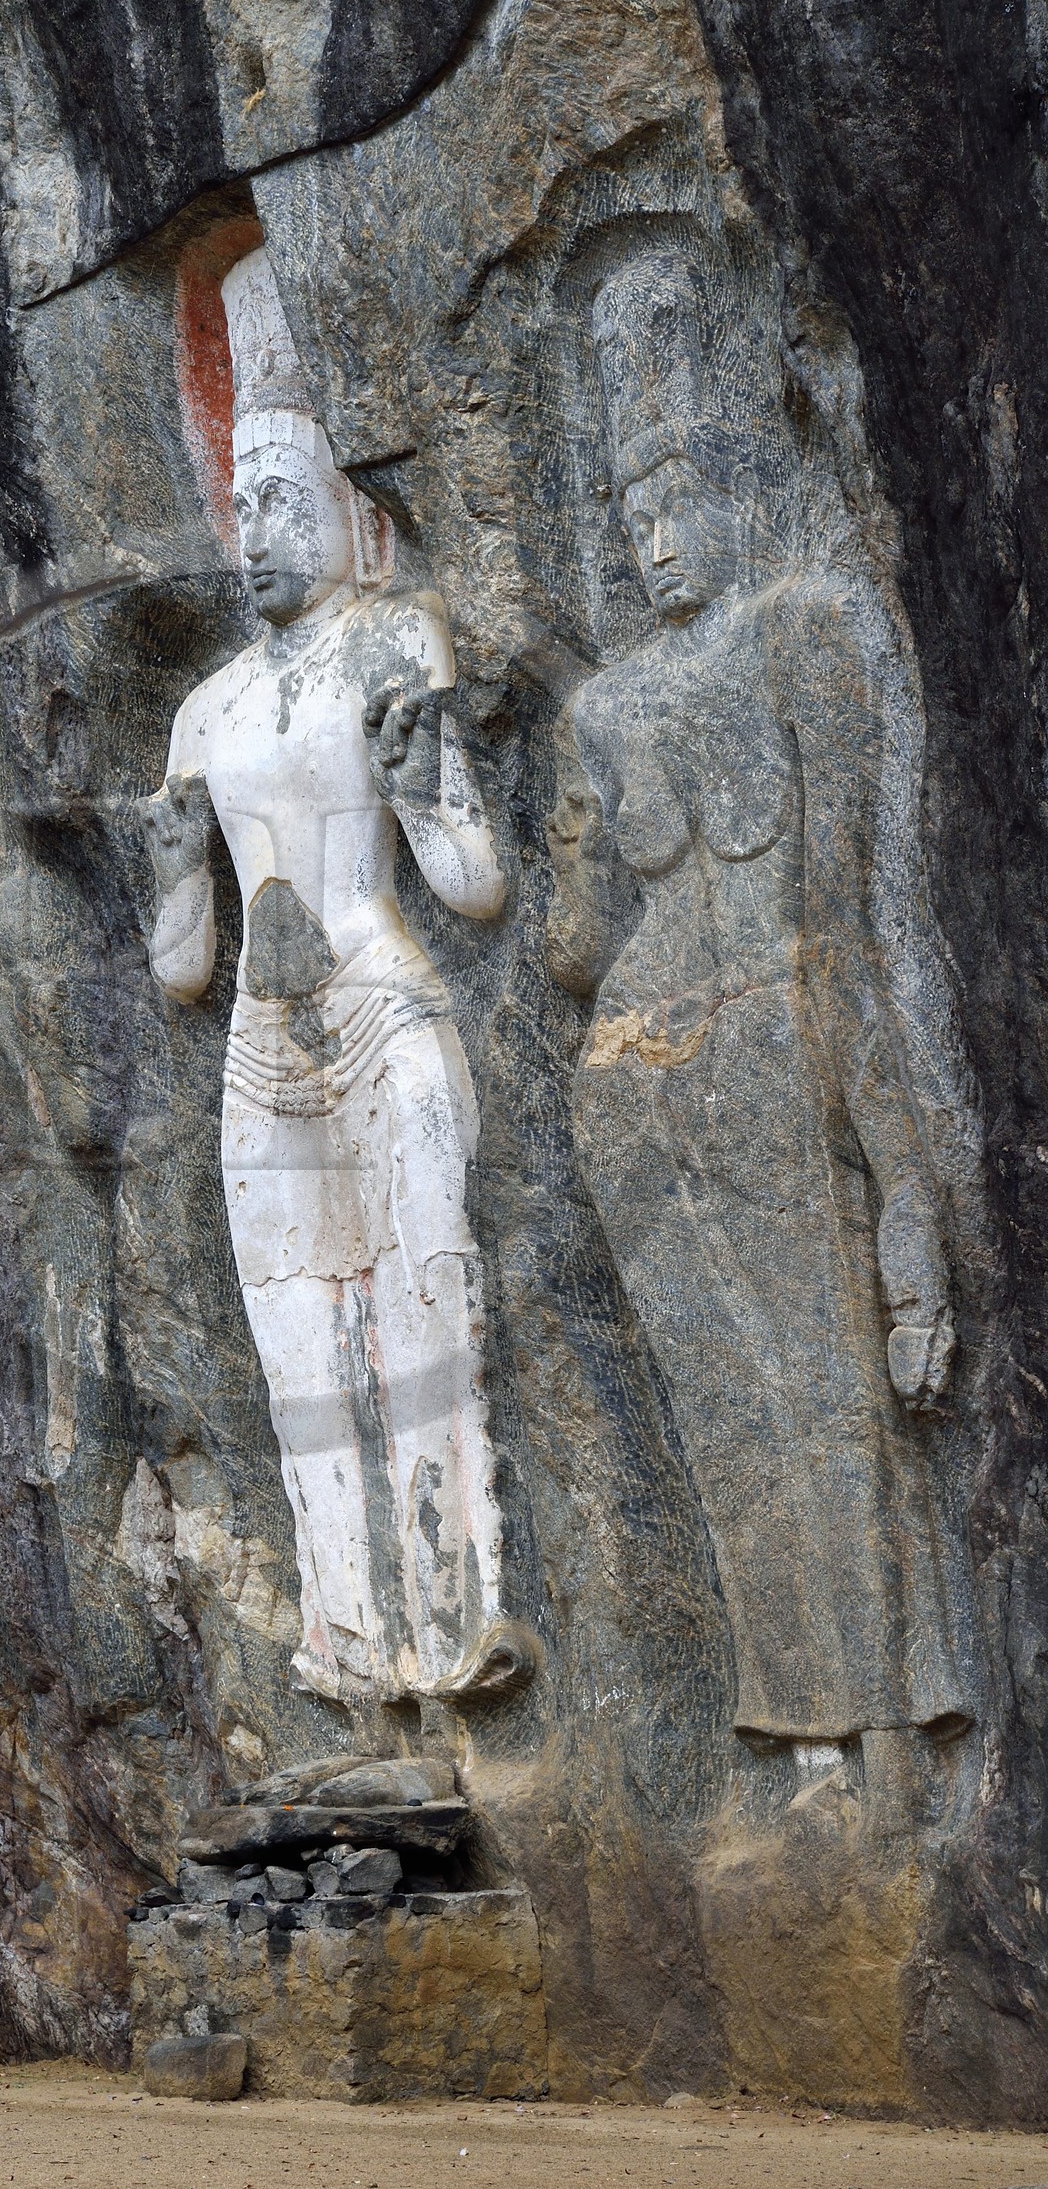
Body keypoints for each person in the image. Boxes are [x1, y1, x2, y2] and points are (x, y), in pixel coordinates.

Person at [546, 234, 974, 1774]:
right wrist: (513, 814)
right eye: (632, 509)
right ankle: (797, 1726)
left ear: (740, 483)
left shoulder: (805, 630)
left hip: (791, 1065)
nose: (658, 538)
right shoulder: (601, 705)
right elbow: (575, 946)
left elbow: (852, 923)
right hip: (645, 1105)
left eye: (682, 496)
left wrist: (907, 1184)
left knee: (839, 1411)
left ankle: (890, 1727)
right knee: (735, 1439)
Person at [143, 247, 526, 1711]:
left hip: (383, 1005)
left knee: (430, 1306)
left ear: (348, 517)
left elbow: (474, 880)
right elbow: (186, 972)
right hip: (260, 1048)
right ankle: (346, 1638)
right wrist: (169, 873)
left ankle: (459, 1614)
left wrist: (426, 774)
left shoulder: (392, 637)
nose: (256, 531)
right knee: (299, 1350)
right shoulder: (202, 714)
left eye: (285, 501)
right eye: (240, 507)